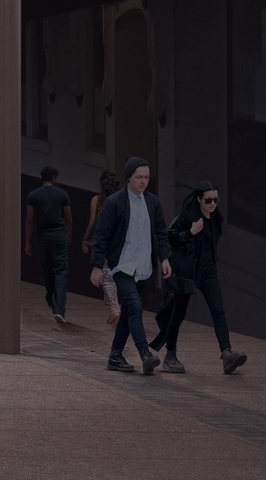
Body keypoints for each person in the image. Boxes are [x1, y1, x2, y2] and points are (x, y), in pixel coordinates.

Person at [150, 181, 247, 375]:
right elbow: (170, 238)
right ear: (198, 200)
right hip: (187, 273)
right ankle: (170, 355)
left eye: (215, 200)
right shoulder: (188, 218)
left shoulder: (215, 220)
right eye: (208, 200)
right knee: (178, 314)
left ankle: (226, 353)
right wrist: (191, 232)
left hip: (207, 273)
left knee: (218, 310)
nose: (212, 204)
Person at [90, 157, 172, 376]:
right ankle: (145, 353)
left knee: (128, 312)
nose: (143, 181)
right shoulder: (115, 202)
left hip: (143, 267)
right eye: (139, 177)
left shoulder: (153, 202)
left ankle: (115, 355)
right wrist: (98, 266)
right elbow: (102, 235)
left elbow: (162, 232)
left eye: (146, 177)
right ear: (128, 178)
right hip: (122, 266)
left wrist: (164, 258)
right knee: (134, 306)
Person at [24, 166, 73, 324]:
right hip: (59, 236)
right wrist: (68, 236)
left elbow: (30, 221)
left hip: (42, 237)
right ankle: (59, 309)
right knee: (60, 272)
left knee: (47, 271)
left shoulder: (33, 195)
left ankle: (52, 299)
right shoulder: (62, 194)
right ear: (54, 177)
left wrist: (27, 242)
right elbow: (68, 219)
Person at [83, 169, 121, 322]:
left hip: (104, 238)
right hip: (119, 240)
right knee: (111, 272)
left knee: (106, 276)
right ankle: (110, 301)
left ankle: (114, 307)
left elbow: (93, 221)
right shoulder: (121, 199)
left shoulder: (97, 200)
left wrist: (85, 239)